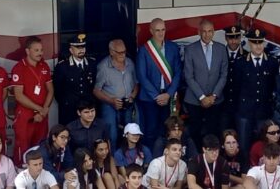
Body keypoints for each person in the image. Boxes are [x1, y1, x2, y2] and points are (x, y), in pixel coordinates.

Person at [136, 18, 182, 147]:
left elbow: (178, 72)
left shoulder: (173, 47)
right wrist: (157, 96)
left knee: (166, 129)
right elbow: (141, 76)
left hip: (168, 96)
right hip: (150, 98)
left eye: (163, 30)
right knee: (150, 130)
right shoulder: (144, 50)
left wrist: (169, 94)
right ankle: (151, 161)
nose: (161, 33)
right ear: (151, 31)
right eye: (157, 30)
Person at [184, 19, 228, 147]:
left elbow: (223, 75)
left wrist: (214, 96)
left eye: (210, 31)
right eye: (204, 31)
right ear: (199, 32)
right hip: (194, 100)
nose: (207, 34)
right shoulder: (190, 49)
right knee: (195, 132)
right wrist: (202, 97)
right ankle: (197, 159)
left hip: (215, 101)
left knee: (213, 132)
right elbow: (188, 76)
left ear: (213, 32)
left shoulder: (221, 49)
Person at [234, 29, 278, 156]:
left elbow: (274, 86)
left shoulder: (272, 62)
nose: (258, 46)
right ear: (249, 43)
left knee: (263, 145)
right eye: (254, 43)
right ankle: (245, 172)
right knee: (243, 145)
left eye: (260, 42)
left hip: (264, 111)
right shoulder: (240, 62)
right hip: (244, 111)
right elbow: (236, 88)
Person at [11, 36, 54, 165]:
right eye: (36, 50)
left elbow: (50, 90)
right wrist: (39, 109)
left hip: (42, 115)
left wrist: (44, 110)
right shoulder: (19, 68)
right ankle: (21, 174)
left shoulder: (44, 66)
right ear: (27, 51)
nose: (40, 53)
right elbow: (18, 95)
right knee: (23, 147)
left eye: (41, 50)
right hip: (26, 115)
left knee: (40, 147)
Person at [93, 39, 139, 151]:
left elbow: (136, 84)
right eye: (119, 52)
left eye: (124, 51)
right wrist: (111, 101)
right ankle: (112, 160)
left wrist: (132, 96)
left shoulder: (130, 63)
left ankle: (129, 157)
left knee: (130, 133)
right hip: (109, 104)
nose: (123, 55)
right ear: (111, 52)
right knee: (111, 134)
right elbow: (96, 90)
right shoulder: (103, 67)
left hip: (127, 103)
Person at [53, 33, 96, 125]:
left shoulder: (92, 63)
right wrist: (66, 103)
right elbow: (58, 91)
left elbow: (93, 86)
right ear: (71, 50)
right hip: (69, 109)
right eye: (78, 48)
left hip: (87, 108)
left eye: (83, 47)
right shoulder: (62, 66)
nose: (81, 50)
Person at [221, 25, 246, 132]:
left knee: (241, 136)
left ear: (240, 38)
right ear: (226, 38)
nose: (234, 41)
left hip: (240, 105)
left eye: (236, 38)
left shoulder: (246, 56)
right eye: (231, 38)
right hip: (222, 104)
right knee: (222, 134)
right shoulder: (219, 54)